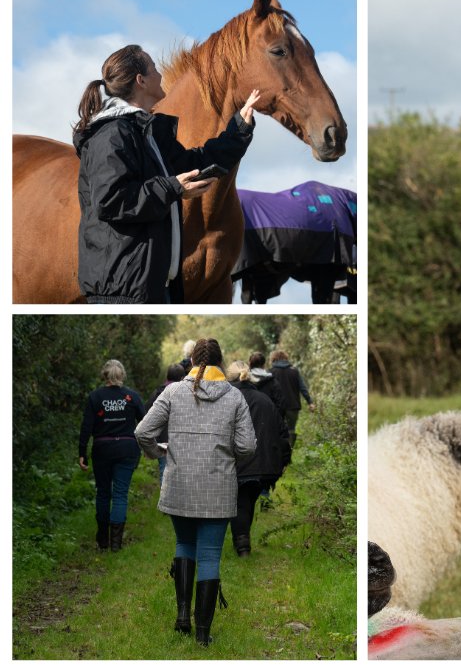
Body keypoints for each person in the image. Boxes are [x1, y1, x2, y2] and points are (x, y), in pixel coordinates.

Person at [73, 45, 261, 303]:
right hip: (121, 290)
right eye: (154, 69)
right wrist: (173, 188)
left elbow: (197, 163)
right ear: (141, 81)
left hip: (153, 284)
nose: (160, 75)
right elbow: (111, 201)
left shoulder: (148, 134)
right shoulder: (112, 135)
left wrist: (239, 127)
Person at [134, 338, 256, 646]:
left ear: (190, 362)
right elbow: (247, 446)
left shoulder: (173, 392)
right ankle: (202, 636)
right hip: (218, 487)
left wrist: (157, 453)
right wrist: (228, 458)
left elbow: (142, 432)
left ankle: (182, 618)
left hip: (179, 485)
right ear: (221, 362)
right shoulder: (234, 397)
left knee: (184, 543)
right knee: (210, 554)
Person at [225, 361, 291, 556]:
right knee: (247, 501)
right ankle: (241, 538)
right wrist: (284, 459)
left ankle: (242, 543)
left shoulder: (226, 399)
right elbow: (282, 431)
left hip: (236, 461)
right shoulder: (264, 399)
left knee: (240, 502)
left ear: (229, 377)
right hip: (263, 463)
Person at [78, 359, 145, 552]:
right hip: (127, 449)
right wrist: (147, 445)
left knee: (103, 493)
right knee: (120, 494)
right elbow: (146, 422)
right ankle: (116, 543)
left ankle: (102, 539)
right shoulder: (131, 397)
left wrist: (82, 452)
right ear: (122, 375)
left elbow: (86, 427)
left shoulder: (95, 397)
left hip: (102, 449)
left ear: (104, 375)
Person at [147, 363, 187, 481]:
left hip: (162, 442)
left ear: (167, 376)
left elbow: (146, 414)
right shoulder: (186, 394)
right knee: (182, 474)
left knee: (164, 473)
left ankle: (164, 498)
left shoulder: (157, 393)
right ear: (182, 378)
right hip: (181, 440)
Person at [269, 350, 313, 447]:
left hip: (277, 407)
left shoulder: (271, 372)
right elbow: (303, 388)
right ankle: (289, 452)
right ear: (286, 358)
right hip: (293, 406)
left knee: (277, 429)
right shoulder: (294, 371)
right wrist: (310, 402)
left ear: (273, 359)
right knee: (291, 429)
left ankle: (280, 454)